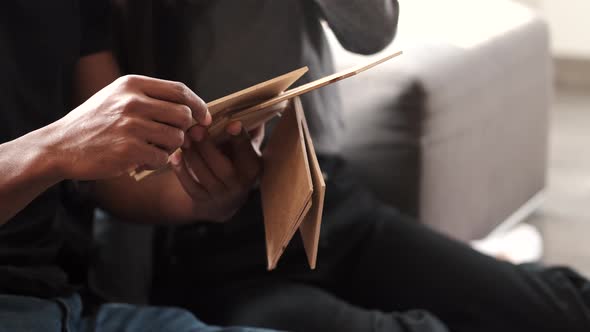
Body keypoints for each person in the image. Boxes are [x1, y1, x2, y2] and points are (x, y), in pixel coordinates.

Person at [104, 1, 590, 332]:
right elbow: (106, 179)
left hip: (324, 199)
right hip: (206, 254)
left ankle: (497, 267)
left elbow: (372, 29)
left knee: (563, 312)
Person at [0, 2, 276, 331]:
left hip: (67, 307)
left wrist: (206, 189)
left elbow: (115, 181)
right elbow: (70, 146)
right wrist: (53, 148)